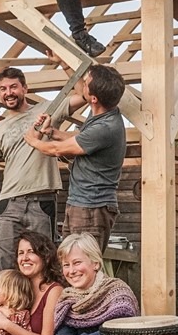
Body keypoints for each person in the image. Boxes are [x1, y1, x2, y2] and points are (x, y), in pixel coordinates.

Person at [24, 63, 127, 251]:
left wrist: (33, 140)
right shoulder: (101, 110)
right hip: (82, 203)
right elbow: (79, 139)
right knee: (69, 259)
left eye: (87, 83)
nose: (83, 85)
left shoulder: (105, 128)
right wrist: (51, 131)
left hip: (92, 207)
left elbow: (57, 149)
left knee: (83, 263)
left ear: (94, 98)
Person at [0, 67, 61, 271]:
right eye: (3, 89)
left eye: (13, 87)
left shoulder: (46, 110)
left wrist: (63, 63)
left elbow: (80, 95)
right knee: (6, 263)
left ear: (25, 88)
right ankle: (7, 303)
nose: (8, 92)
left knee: (43, 261)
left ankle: (42, 303)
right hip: (9, 204)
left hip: (41, 201)